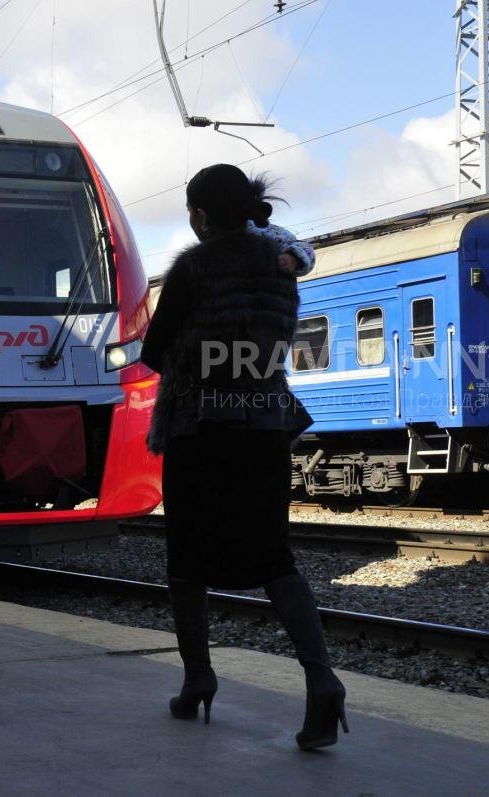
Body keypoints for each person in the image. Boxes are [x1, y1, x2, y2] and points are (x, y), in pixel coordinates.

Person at [141, 164, 347, 751]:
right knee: (274, 559)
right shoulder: (280, 268)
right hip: (264, 426)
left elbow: (155, 351)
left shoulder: (193, 268)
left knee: (187, 559)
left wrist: (193, 361)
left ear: (201, 215)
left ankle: (197, 678)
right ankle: (321, 680)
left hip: (200, 430)